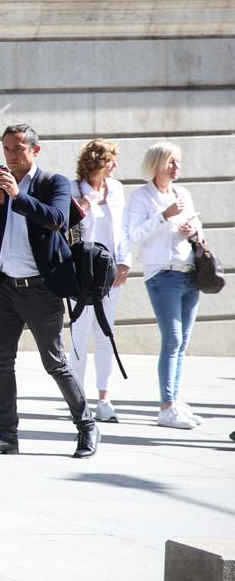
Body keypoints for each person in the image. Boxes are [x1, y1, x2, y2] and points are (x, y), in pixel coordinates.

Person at [0, 124, 98, 459]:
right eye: (6, 149)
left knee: (54, 363)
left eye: (18, 148)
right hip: (6, 287)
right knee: (1, 362)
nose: (11, 155)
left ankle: (86, 425)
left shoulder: (54, 183)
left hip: (42, 289)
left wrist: (18, 197)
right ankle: (6, 434)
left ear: (35, 150)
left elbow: (55, 219)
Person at [125, 141, 205, 429]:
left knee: (181, 342)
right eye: (170, 162)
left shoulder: (183, 193)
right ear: (156, 164)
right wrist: (164, 216)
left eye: (178, 161)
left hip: (189, 273)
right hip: (162, 275)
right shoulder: (141, 197)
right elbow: (134, 235)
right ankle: (166, 406)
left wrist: (193, 230)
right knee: (171, 339)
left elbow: (197, 225)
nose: (176, 167)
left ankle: (174, 400)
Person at [68, 139, 131, 424]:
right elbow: (68, 229)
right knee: (80, 333)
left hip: (109, 271)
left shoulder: (116, 189)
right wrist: (84, 207)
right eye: (110, 160)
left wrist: (125, 261)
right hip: (81, 269)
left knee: (106, 334)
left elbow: (124, 229)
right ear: (96, 163)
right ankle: (77, 399)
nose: (115, 166)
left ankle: (104, 399)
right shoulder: (73, 189)